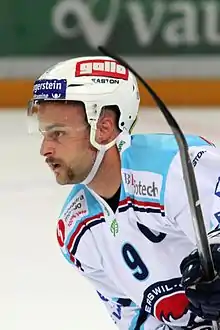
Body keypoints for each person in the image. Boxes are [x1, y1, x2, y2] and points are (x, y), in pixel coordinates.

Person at [28, 56, 220, 329]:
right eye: (44, 134)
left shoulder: (179, 168)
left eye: (57, 133)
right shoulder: (76, 230)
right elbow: (136, 319)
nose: (45, 149)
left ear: (103, 129)